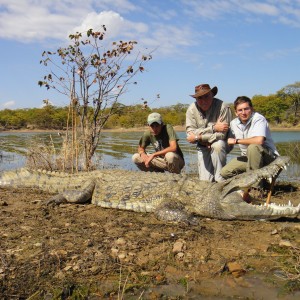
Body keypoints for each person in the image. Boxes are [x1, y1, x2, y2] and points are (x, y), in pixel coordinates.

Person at [220, 96, 279, 181]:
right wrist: (210, 144)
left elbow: (259, 141)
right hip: (247, 158)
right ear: (236, 113)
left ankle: (256, 188)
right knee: (225, 172)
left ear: (252, 109)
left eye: (246, 109)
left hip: (268, 159)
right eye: (240, 110)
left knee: (253, 147)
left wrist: (236, 141)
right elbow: (226, 140)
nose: (243, 113)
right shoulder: (233, 123)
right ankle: (247, 183)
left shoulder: (258, 118)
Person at [186, 83, 232, 182]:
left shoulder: (223, 107)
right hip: (202, 145)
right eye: (199, 98)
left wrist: (199, 137)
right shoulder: (191, 109)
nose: (203, 101)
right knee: (205, 183)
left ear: (212, 95)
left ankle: (221, 179)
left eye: (206, 96)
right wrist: (213, 128)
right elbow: (190, 135)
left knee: (218, 145)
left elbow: (222, 135)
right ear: (196, 99)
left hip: (221, 143)